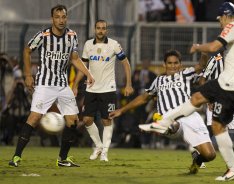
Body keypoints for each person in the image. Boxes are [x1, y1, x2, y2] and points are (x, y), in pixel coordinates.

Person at [140, 2, 234, 181]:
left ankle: (233, 168)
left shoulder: (232, 26)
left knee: (217, 126)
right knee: (196, 98)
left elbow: (212, 48)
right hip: (232, 84)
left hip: (229, 84)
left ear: (226, 15)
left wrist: (197, 47)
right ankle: (165, 121)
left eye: (220, 19)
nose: (220, 23)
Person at [8, 4, 95, 167]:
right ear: (52, 19)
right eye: (57, 17)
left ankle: (62, 159)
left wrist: (89, 74)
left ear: (66, 18)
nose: (61, 20)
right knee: (33, 118)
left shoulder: (72, 36)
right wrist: (28, 75)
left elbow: (75, 58)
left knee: (73, 121)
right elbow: (27, 51)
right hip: (44, 84)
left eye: (63, 17)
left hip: (62, 85)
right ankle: (16, 157)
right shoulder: (43, 35)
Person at [109, 49, 216, 174]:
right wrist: (122, 110)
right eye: (169, 63)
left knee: (210, 155)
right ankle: (167, 126)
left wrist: (203, 50)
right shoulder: (158, 81)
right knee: (174, 124)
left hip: (191, 116)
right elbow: (144, 97)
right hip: (168, 118)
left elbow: (201, 65)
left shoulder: (186, 74)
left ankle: (196, 162)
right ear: (164, 65)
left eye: (176, 63)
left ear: (180, 64)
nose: (173, 66)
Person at [72, 19, 134, 162]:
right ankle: (99, 146)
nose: (101, 30)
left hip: (108, 89)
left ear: (106, 30)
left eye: (103, 28)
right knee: (87, 120)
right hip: (91, 89)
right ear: (95, 29)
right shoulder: (88, 45)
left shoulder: (114, 45)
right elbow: (83, 67)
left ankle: (105, 153)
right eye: (98, 28)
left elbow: (126, 63)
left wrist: (128, 84)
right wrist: (75, 85)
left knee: (107, 120)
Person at [199, 52, 234, 169]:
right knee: (210, 131)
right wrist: (209, 100)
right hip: (215, 99)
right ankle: (199, 156)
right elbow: (202, 79)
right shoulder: (215, 60)